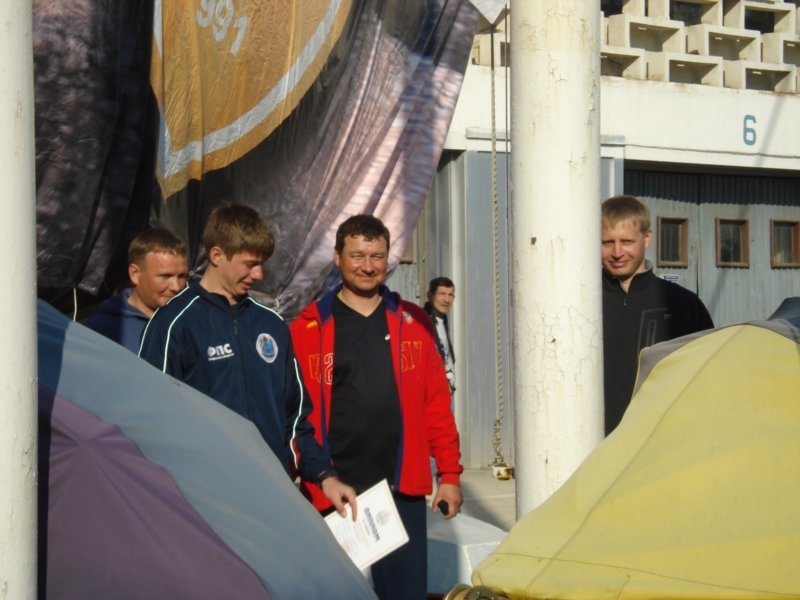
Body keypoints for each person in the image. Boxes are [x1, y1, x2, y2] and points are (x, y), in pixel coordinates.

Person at [138, 204, 356, 517]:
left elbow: (295, 419)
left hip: (271, 495)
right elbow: (151, 421)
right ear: (217, 255)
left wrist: (325, 476)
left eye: (261, 264)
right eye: (250, 265)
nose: (259, 275)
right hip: (205, 504)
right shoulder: (173, 324)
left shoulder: (271, 325)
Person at [290, 214, 463, 600]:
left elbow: (437, 406)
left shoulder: (414, 323)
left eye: (377, 256)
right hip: (332, 490)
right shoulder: (307, 328)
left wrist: (449, 475)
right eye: (357, 256)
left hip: (399, 490)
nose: (367, 266)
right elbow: (295, 414)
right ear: (338, 257)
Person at [602, 195, 714, 434]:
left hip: (658, 440)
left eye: (627, 241)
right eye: (607, 242)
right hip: (591, 443)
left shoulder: (683, 305)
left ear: (647, 238)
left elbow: (706, 380)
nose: (617, 252)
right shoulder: (577, 304)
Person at [84, 227, 188, 352]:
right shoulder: (99, 332)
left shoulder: (192, 322)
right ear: (135, 274)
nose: (176, 287)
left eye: (182, 276)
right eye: (165, 276)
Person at [423, 277, 456, 395]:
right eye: (442, 294)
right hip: (432, 392)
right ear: (430, 296)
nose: (447, 300)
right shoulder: (423, 322)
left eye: (450, 295)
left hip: (444, 392)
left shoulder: (442, 319)